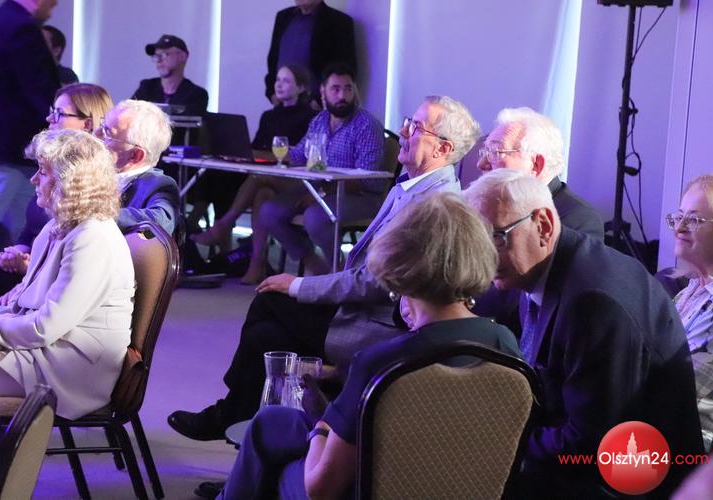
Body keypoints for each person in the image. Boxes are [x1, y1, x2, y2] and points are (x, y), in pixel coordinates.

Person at [168, 95, 479, 446]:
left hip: (376, 326)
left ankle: (232, 417)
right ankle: (241, 426)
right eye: (408, 122)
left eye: (416, 127)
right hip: (359, 308)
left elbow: (376, 282)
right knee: (265, 336)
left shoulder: (435, 206)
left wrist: (299, 285)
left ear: (443, 148)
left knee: (272, 301)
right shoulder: (412, 187)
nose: (403, 132)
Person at [195, 192, 521, 499]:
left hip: (381, 487)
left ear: (398, 269)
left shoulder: (384, 365)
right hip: (460, 484)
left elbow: (320, 488)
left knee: (276, 465)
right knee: (270, 423)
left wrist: (323, 424)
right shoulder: (505, 347)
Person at [462, 168, 704, 497]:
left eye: (497, 238)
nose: (485, 256)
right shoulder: (541, 267)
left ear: (543, 225)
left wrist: (499, 438)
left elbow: (588, 444)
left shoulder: (594, 303)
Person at [0, 129, 134, 420]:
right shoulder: (59, 226)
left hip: (69, 368)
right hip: (43, 349)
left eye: (42, 172)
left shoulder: (93, 238)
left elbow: (47, 326)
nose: (33, 179)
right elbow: (22, 305)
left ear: (71, 181)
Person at [0, 83, 113, 314]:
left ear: (87, 124)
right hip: (25, 273)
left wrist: (28, 266)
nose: (49, 118)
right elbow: (29, 232)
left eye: (59, 113)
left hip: (40, 288)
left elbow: (71, 262)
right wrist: (14, 253)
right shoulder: (54, 168)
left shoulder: (88, 181)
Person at [190, 63, 317, 284]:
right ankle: (256, 263)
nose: (279, 85)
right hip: (266, 176)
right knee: (255, 190)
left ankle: (224, 225)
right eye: (278, 80)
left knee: (258, 179)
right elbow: (256, 148)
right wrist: (244, 153)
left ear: (301, 87)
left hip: (293, 180)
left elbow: (297, 155)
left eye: (286, 81)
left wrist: (265, 154)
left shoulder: (311, 117)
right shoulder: (269, 116)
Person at [258, 62, 385, 275]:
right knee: (270, 211)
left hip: (362, 197)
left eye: (348, 88)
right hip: (319, 190)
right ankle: (314, 263)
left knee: (315, 217)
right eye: (335, 89)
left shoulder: (366, 125)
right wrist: (257, 155)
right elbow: (298, 155)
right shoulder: (319, 121)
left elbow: (366, 177)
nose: (342, 95)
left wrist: (322, 194)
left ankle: (340, 271)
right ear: (323, 91)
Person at [0, 0, 60, 257]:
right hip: (5, 153)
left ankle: (27, 278)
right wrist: (60, 126)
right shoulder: (21, 29)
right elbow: (41, 91)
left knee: (30, 231)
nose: (55, 5)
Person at [477, 107, 604, 240]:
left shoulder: (577, 220)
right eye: (486, 151)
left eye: (496, 152)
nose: (481, 164)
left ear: (536, 165)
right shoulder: (484, 206)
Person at [666, 175, 713, 451]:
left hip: (692, 453)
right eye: (679, 216)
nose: (679, 227)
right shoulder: (689, 291)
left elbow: (679, 389)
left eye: (693, 219)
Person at [95, 99, 181, 236]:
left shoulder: (158, 185)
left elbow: (161, 221)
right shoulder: (92, 172)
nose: (96, 133)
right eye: (102, 125)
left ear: (135, 155)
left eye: (107, 132)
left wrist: (94, 217)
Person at [265, 0, 356, 105]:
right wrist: (271, 92)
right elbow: (273, 58)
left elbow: (346, 68)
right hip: (283, 105)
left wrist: (321, 100)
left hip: (315, 106)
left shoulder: (339, 22)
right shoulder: (283, 17)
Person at [132, 34, 208, 118]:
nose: (159, 60)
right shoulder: (147, 87)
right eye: (156, 56)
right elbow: (128, 114)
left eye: (165, 54)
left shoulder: (196, 95)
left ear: (182, 56)